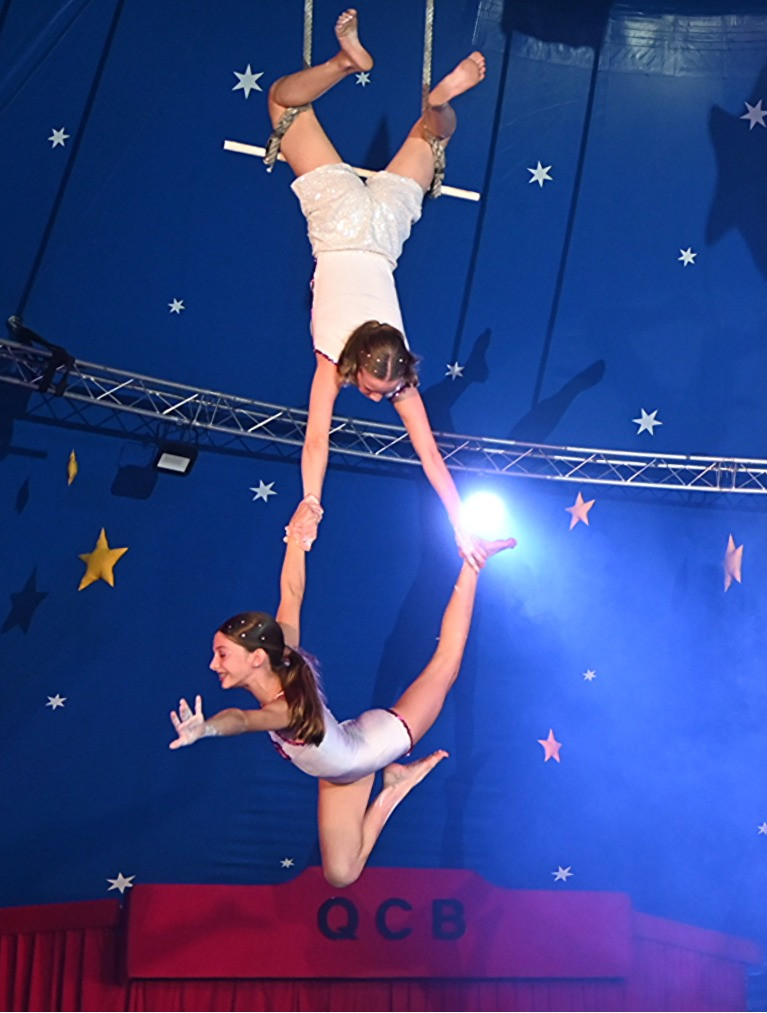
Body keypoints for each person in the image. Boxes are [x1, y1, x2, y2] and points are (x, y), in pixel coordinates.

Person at [168, 500, 515, 887]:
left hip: (376, 743)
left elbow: (244, 719)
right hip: (342, 768)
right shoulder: (285, 654)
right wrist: (296, 540)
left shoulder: (285, 710)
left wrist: (208, 729)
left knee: (446, 662)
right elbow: (291, 592)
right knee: (340, 874)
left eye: (222, 654)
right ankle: (394, 787)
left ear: (256, 658)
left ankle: (472, 565)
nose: (214, 665)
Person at [264, 9, 488, 562]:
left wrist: (462, 522)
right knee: (280, 106)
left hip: (386, 227)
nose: (375, 396)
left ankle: (431, 103)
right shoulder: (329, 358)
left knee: (429, 139)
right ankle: (346, 61)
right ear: (368, 358)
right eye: (375, 389)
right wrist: (309, 501)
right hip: (338, 222)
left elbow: (430, 453)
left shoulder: (397, 370)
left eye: (376, 391)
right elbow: (320, 437)